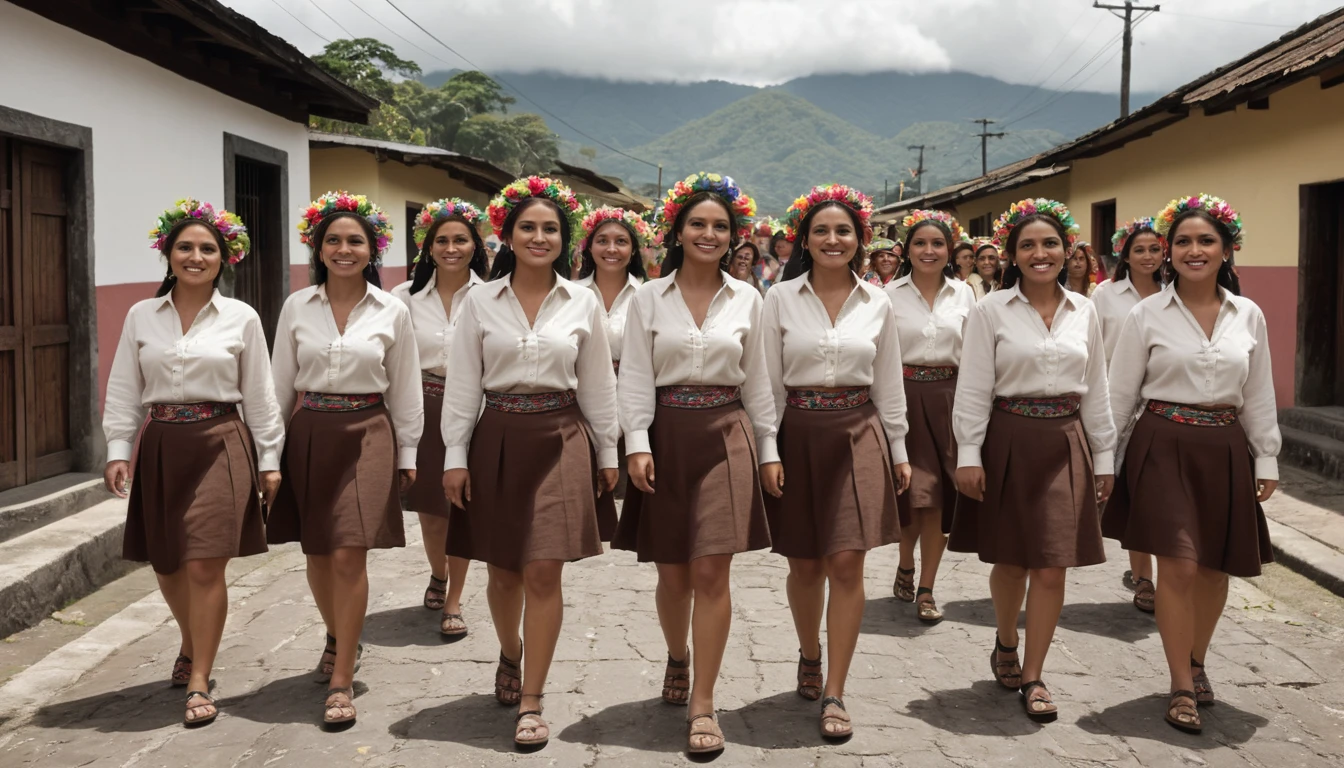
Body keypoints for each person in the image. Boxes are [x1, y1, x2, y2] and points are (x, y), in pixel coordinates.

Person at [441, 176, 619, 751]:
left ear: (563, 239)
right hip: (496, 437)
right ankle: (510, 652)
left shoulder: (582, 301)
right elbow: (464, 385)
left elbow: (597, 384)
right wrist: (455, 454)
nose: (539, 237)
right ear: (508, 235)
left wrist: (608, 450)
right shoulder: (478, 303)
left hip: (562, 438)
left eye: (550, 228)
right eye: (528, 228)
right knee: (502, 570)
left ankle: (534, 696)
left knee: (544, 568)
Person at [103, 199, 283, 728]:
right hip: (161, 444)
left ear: (224, 258)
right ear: (168, 253)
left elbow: (261, 394)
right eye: (186, 247)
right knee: (167, 562)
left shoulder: (241, 318)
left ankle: (201, 675)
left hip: (220, 441)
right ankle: (190, 639)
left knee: (205, 560)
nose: (196, 256)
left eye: (208, 248)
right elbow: (123, 388)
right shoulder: (141, 315)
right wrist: (118, 449)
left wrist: (269, 459)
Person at [613, 172, 776, 756]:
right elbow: (633, 375)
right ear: (677, 230)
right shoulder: (647, 299)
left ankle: (704, 703)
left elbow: (758, 383)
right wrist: (635, 441)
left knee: (711, 570)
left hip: (726, 435)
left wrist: (769, 449)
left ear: (734, 236)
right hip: (665, 434)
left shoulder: (748, 299)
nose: (709, 234)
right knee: (673, 572)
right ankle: (677, 657)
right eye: (698, 224)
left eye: (720, 226)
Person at [1104, 195, 1279, 735]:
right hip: (1163, 444)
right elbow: (1118, 394)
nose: (1193, 250)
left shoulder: (1247, 314)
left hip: (1225, 448)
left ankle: (1197, 658)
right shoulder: (1145, 313)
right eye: (1181, 241)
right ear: (1166, 252)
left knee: (1213, 567)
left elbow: (1258, 392)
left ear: (1228, 249)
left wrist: (1265, 454)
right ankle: (1180, 682)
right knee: (1177, 565)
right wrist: (1103, 462)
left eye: (1206, 241)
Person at [950, 198, 1116, 724]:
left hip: (1066, 440)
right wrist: (969, 453)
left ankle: (1035, 674)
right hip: (1008, 439)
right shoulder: (989, 311)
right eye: (1028, 245)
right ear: (1011, 255)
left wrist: (1104, 454)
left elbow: (1097, 389)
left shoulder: (1084, 310)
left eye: (1050, 244)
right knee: (1012, 560)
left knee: (1052, 563)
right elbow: (973, 387)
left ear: (1068, 250)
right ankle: (1005, 640)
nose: (1040, 254)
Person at [269, 192, 423, 728]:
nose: (343, 249)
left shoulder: (392, 311)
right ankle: (338, 636)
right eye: (332, 239)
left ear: (372, 249)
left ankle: (341, 680)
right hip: (308, 433)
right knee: (317, 550)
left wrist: (408, 450)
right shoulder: (296, 307)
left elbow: (405, 387)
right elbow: (277, 387)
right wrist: (270, 456)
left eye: (355, 240)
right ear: (318, 247)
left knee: (348, 552)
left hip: (368, 433)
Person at [762, 184, 910, 741]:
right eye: (821, 230)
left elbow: (889, 383)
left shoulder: (879, 303)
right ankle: (808, 653)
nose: (832, 239)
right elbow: (768, 383)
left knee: (847, 562)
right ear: (804, 239)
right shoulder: (779, 298)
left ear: (861, 240)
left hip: (858, 434)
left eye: (843, 231)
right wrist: (768, 449)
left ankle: (836, 690)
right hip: (798, 433)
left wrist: (898, 449)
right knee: (803, 563)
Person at [390, 199, 488, 638]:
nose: (451, 248)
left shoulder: (491, 294)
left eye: (460, 239)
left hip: (476, 408)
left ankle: (454, 599)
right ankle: (438, 572)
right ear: (428, 248)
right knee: (431, 509)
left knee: (461, 506)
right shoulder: (404, 298)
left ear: (475, 245)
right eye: (442, 240)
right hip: (425, 403)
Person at [885, 210, 977, 624]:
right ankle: (906, 561)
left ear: (950, 250)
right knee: (911, 492)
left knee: (939, 496)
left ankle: (926, 587)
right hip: (902, 396)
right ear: (907, 249)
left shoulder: (965, 296)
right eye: (920, 243)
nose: (928, 250)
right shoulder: (887, 295)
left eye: (937, 243)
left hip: (948, 400)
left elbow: (974, 356)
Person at [1090, 217, 1167, 614]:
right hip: (1114, 400)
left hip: (1157, 405)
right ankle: (1144, 577)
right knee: (1131, 492)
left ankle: (1156, 572)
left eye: (1155, 248)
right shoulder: (1105, 295)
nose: (1148, 256)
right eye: (1139, 249)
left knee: (1155, 495)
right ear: (1124, 253)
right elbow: (1094, 349)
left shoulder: (1176, 294)